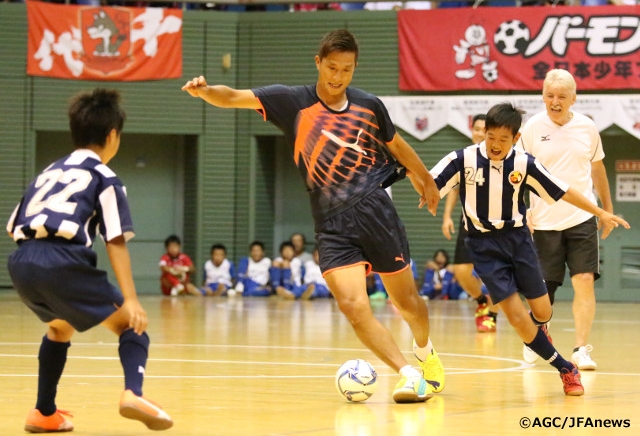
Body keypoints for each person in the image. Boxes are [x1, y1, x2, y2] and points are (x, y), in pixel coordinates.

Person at [182, 28, 445, 404]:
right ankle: (409, 375)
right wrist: (206, 91)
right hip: (331, 223)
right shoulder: (291, 102)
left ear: (355, 69)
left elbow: (397, 145)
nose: (338, 77)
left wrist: (426, 180)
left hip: (375, 212)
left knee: (408, 304)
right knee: (353, 307)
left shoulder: (369, 105)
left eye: (347, 70)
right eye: (332, 67)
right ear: (318, 63)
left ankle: (425, 353)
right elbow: (234, 96)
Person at [429, 102, 629, 396]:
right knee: (515, 315)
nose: (495, 144)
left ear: (516, 137)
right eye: (491, 137)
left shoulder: (524, 163)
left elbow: (563, 191)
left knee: (542, 310)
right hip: (483, 246)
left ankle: (539, 332)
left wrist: (600, 212)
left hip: (518, 240)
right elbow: (428, 180)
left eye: (503, 139)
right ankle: (565, 368)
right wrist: (424, 190)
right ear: (484, 133)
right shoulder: (462, 159)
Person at [6, 88, 173, 432]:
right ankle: (133, 393)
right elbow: (115, 240)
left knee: (59, 326)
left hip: (21, 263)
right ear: (112, 135)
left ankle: (44, 412)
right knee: (132, 326)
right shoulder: (105, 177)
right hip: (62, 262)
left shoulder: (47, 173)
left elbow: (12, 226)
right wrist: (131, 299)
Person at [516, 68, 615, 371]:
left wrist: (606, 210)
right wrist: (521, 212)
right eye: (549, 96)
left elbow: (597, 170)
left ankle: (580, 349)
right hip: (544, 222)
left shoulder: (587, 127)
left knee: (584, 280)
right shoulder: (532, 128)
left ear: (573, 98)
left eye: (561, 96)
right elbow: (517, 174)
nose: (555, 102)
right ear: (542, 96)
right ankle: (536, 337)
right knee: (544, 292)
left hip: (582, 217)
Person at [441, 113, 499, 332]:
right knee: (461, 270)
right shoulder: (464, 157)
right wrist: (447, 217)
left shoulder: (502, 157)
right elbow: (454, 188)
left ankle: (491, 315)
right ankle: (481, 301)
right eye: (477, 129)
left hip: (497, 223)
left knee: (495, 273)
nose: (480, 133)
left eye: (485, 130)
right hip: (469, 222)